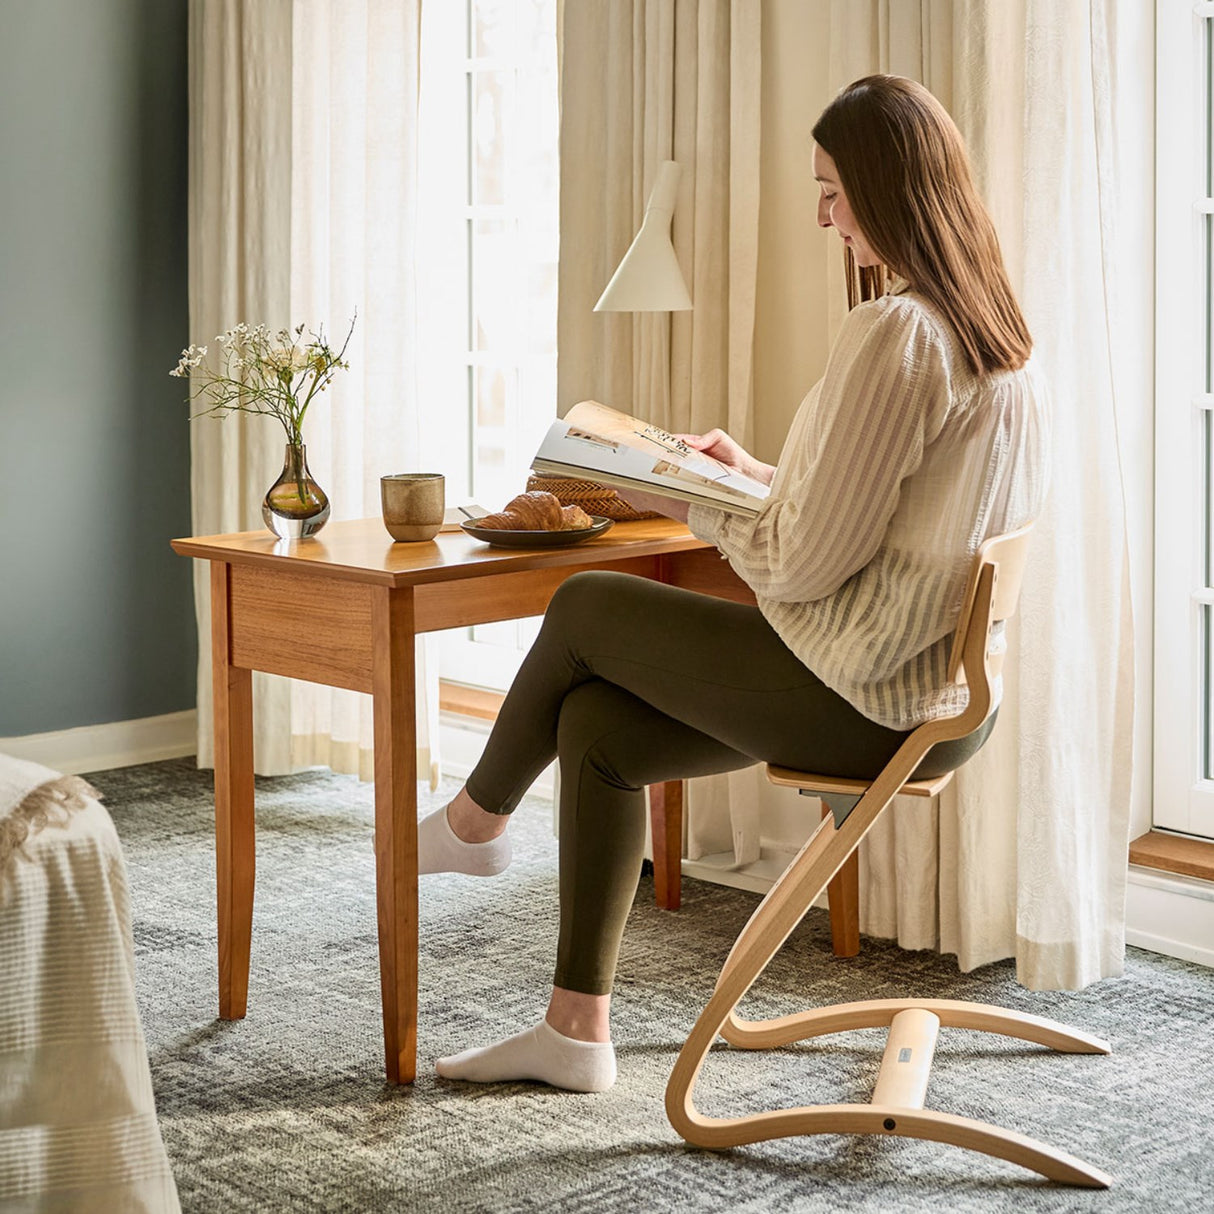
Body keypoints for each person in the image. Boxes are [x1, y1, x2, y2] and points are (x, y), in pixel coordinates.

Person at [423, 75, 1048, 1094]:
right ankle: (574, 1029)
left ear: (888, 193)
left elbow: (803, 564)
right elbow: (884, 512)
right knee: (594, 728)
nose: (820, 215)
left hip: (862, 694)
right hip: (938, 693)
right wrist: (752, 473)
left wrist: (683, 497)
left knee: (582, 604)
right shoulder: (990, 333)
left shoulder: (894, 332)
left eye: (832, 191)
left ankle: (473, 822)